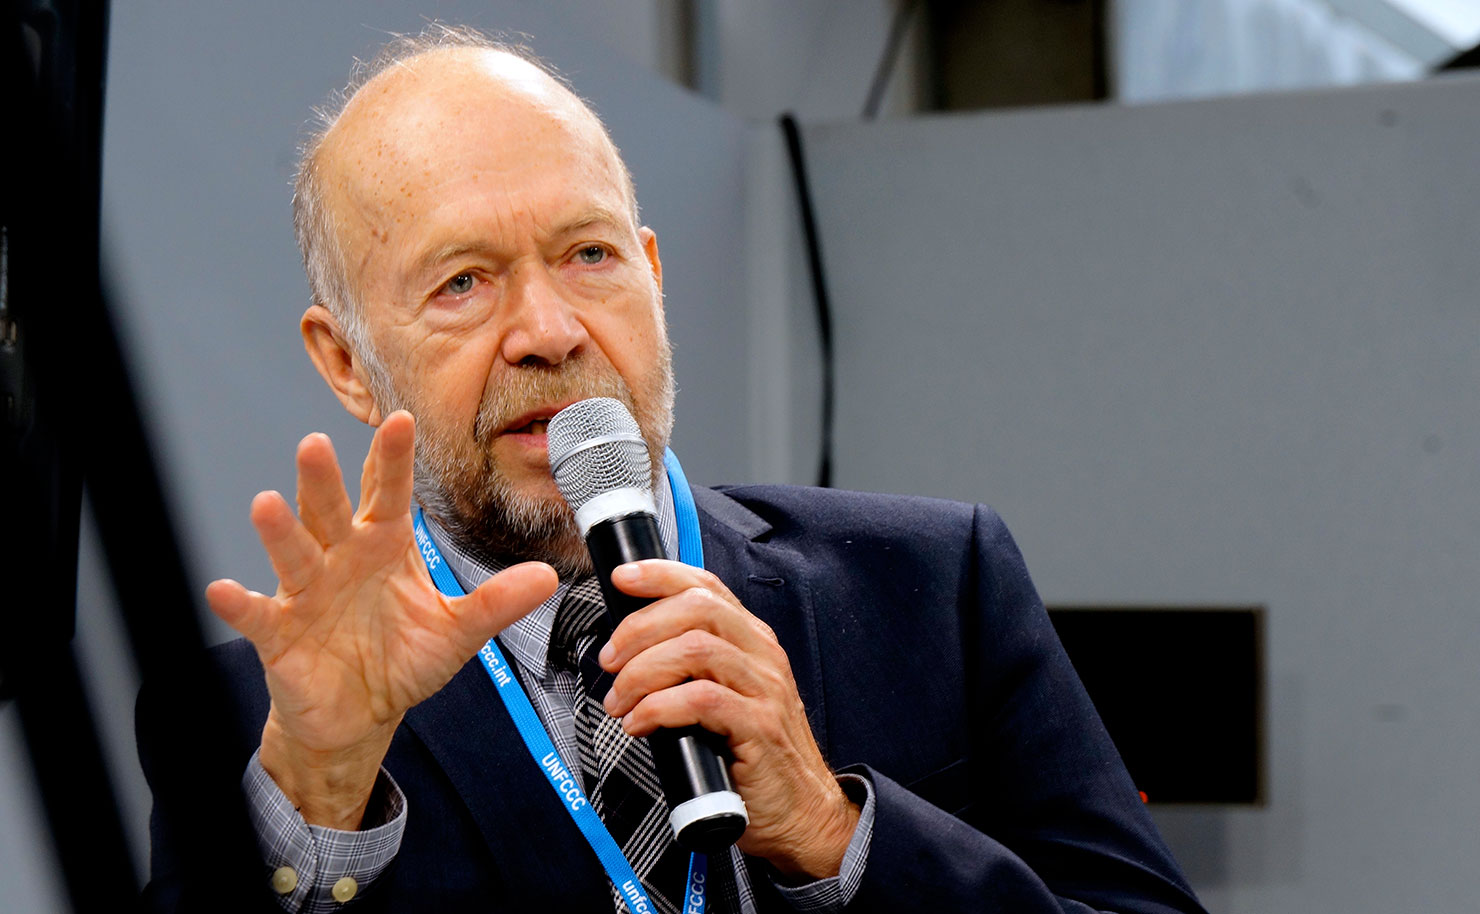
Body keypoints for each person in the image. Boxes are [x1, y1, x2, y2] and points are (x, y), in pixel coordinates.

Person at [137, 25, 1207, 914]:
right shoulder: (257, 724)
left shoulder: (932, 586)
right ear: (346, 363)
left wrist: (835, 835)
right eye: (463, 282)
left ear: (651, 276)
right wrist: (317, 806)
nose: (550, 330)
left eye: (589, 255)